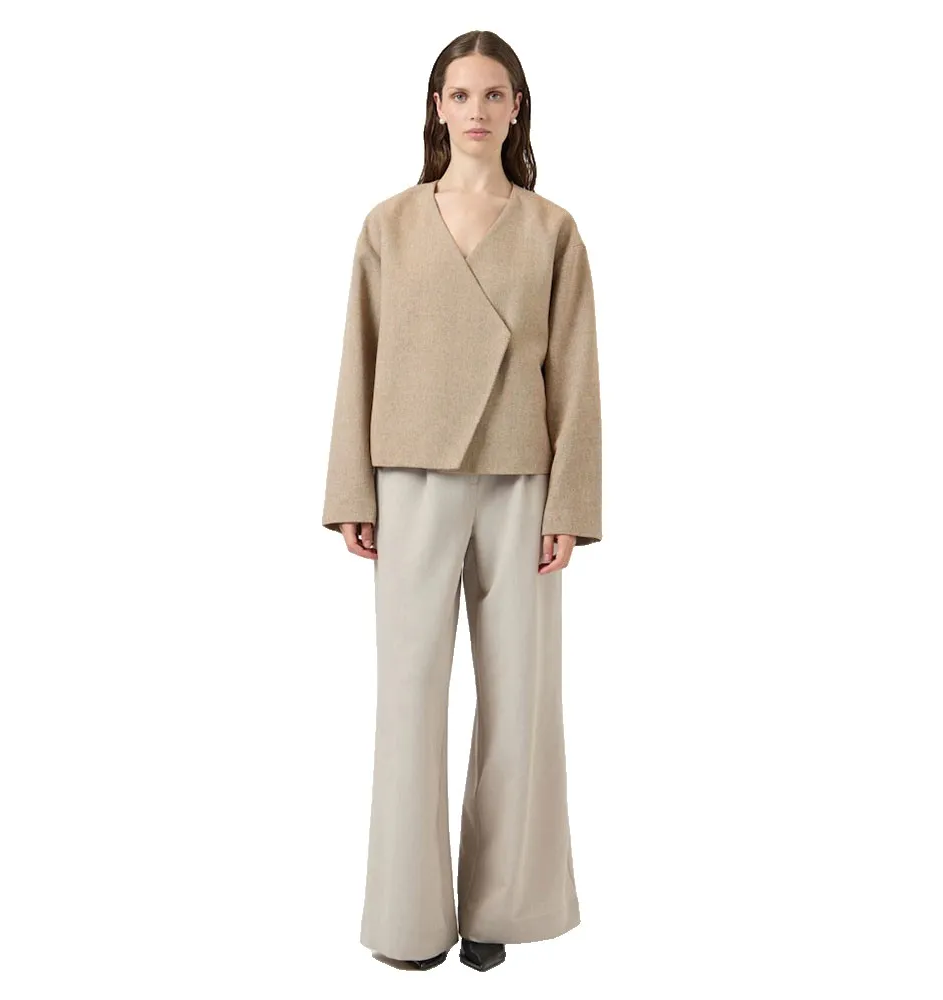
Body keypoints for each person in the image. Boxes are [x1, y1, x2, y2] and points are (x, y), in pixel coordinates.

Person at [321, 29, 602, 972]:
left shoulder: (553, 229)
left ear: (517, 108)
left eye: (493, 94)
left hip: (522, 478)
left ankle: (498, 909)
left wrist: (571, 505)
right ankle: (408, 923)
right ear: (436, 109)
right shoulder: (389, 225)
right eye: (459, 93)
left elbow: (577, 376)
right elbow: (358, 361)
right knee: (408, 697)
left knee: (522, 698)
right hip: (408, 476)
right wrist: (352, 488)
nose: (475, 110)